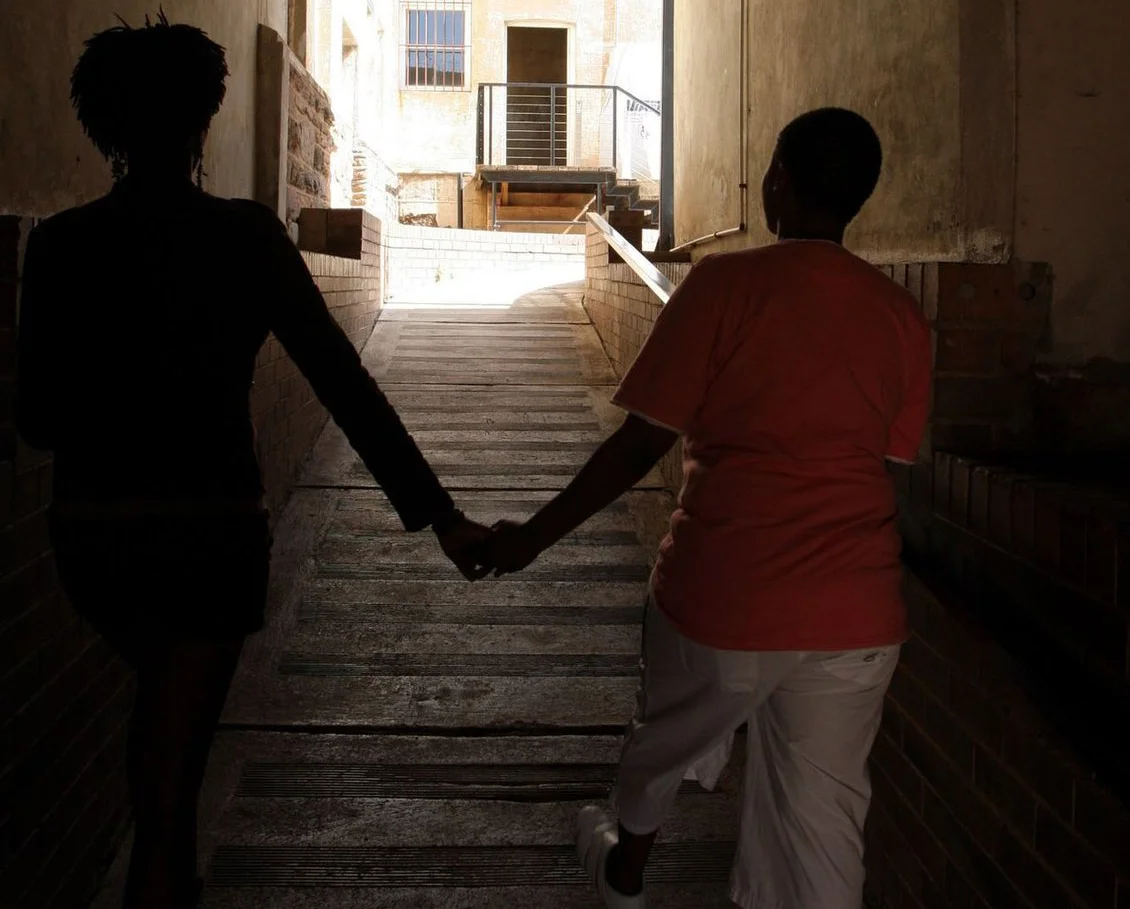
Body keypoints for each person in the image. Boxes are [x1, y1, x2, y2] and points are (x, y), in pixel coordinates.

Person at [15, 15, 488, 909]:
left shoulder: (61, 244)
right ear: (203, 123)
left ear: (105, 124)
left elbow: (36, 421)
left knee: (162, 723)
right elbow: (343, 382)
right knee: (171, 774)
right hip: (212, 538)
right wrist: (440, 515)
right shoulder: (243, 237)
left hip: (96, 541)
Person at [474, 107, 932, 909]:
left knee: (664, 735)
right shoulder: (903, 317)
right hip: (857, 616)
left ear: (777, 182)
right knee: (821, 819)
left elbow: (639, 444)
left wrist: (532, 538)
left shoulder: (724, 286)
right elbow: (888, 470)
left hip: (726, 596)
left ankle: (625, 869)